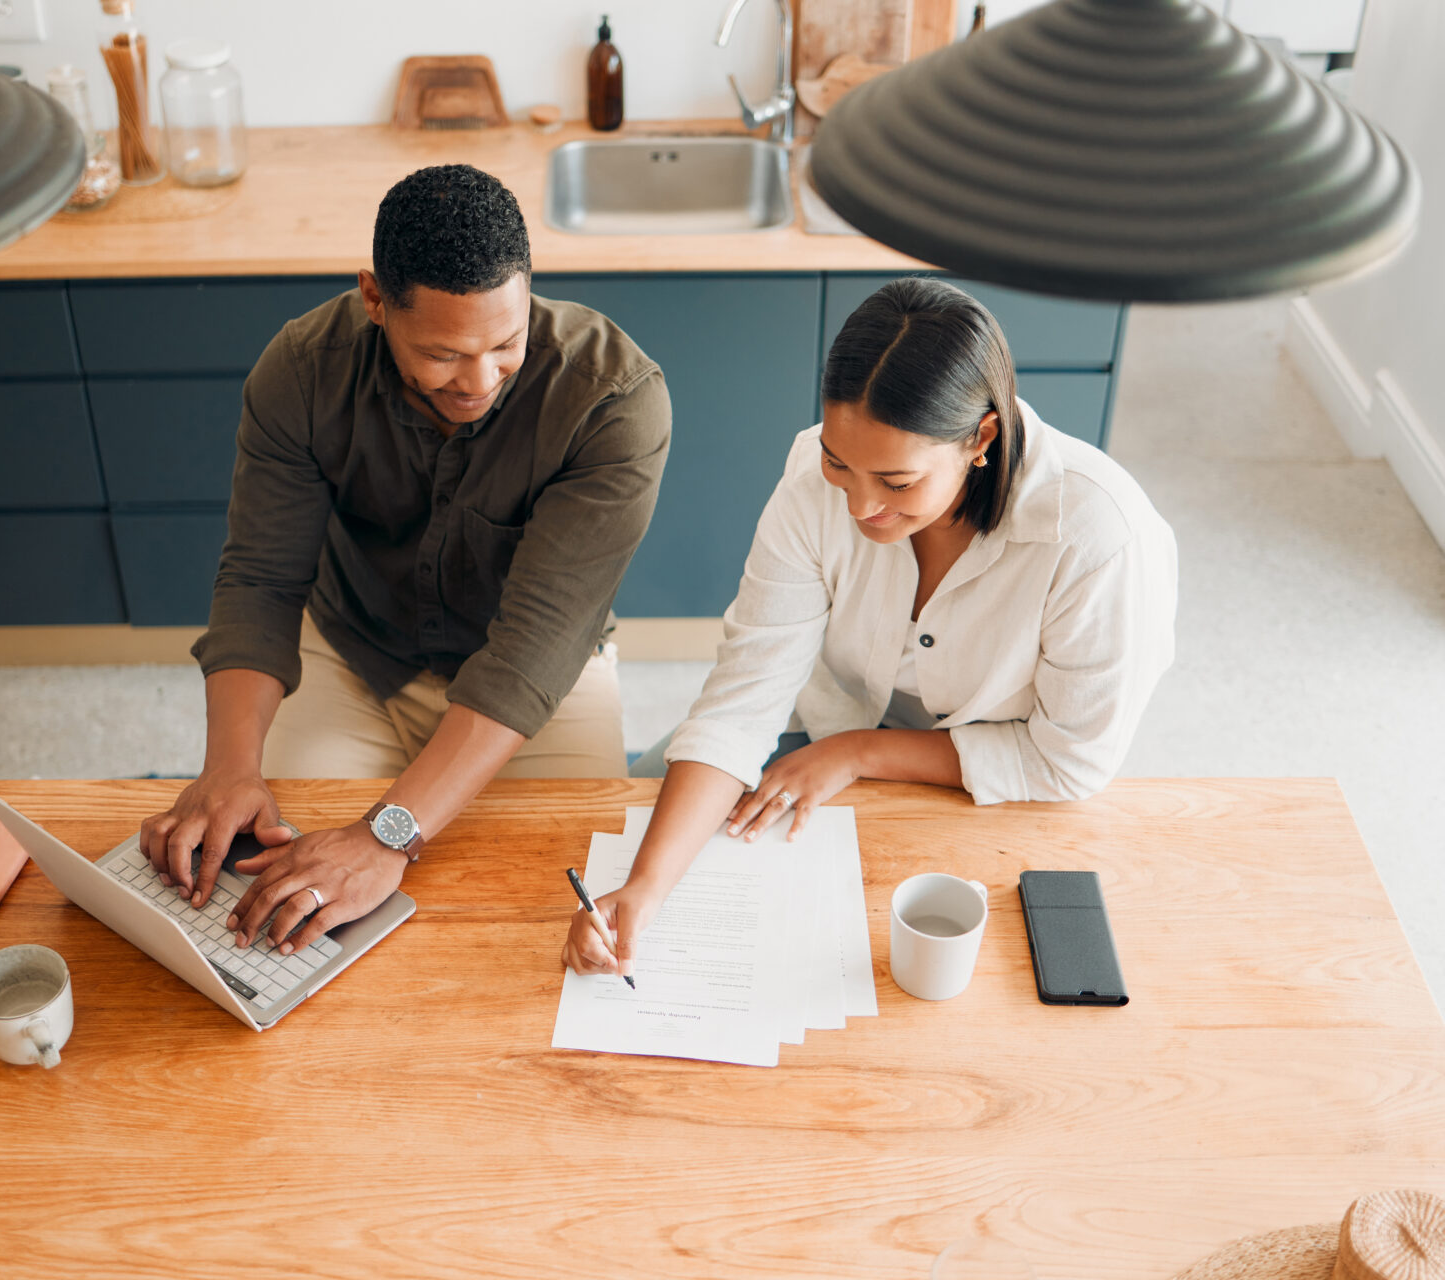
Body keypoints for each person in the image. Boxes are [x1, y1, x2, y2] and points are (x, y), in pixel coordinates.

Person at [563, 276, 1176, 979]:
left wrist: (859, 754)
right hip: (816, 722)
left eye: (896, 482)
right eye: (837, 461)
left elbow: (1070, 760)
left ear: (981, 438)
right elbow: (743, 701)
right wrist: (644, 891)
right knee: (635, 804)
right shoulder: (812, 484)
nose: (858, 505)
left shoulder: (1097, 536)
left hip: (997, 772)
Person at [141, 164, 670, 960]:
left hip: (542, 676)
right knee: (282, 887)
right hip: (357, 650)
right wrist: (227, 769)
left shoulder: (613, 401)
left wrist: (388, 834)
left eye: (504, 343)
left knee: (561, 905)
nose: (481, 380)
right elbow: (260, 579)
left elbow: (531, 652)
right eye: (444, 354)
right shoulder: (301, 371)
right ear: (375, 299)